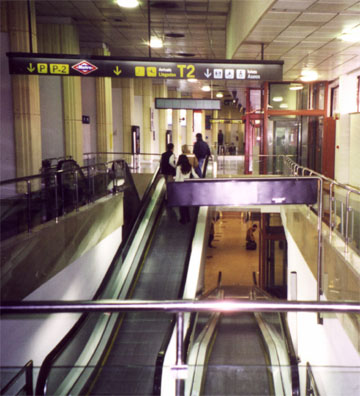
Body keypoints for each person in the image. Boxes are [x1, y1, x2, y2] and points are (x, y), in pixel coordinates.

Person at [175, 154, 199, 224]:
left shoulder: (179, 167)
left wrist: (176, 186)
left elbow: (177, 178)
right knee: (186, 203)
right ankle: (188, 218)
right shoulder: (190, 166)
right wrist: (200, 180)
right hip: (188, 186)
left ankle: (183, 219)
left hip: (180, 186)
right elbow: (195, 175)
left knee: (181, 203)